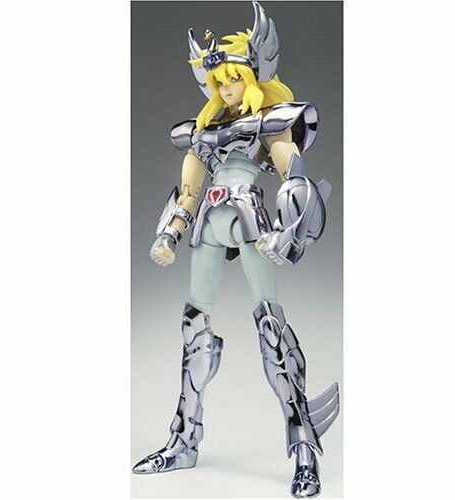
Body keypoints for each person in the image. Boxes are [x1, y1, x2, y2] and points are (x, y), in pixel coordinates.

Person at [133, 3, 339, 497]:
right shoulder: (203, 132)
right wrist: (169, 233)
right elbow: (189, 191)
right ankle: (184, 441)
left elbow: (294, 176)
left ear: (251, 77)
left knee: (270, 324)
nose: (225, 89)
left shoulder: (270, 122)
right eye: (218, 82)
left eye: (233, 79)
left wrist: (287, 233)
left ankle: (304, 448)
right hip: (210, 223)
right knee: (194, 324)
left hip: (251, 224)